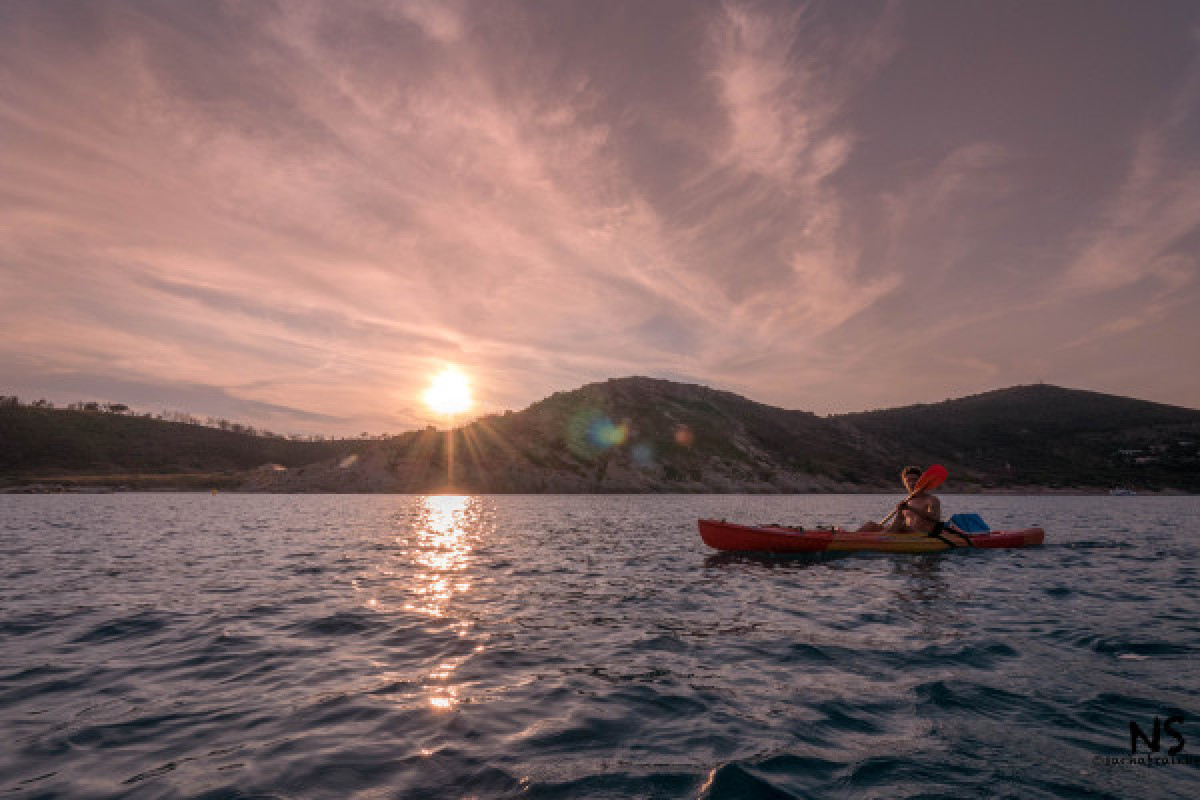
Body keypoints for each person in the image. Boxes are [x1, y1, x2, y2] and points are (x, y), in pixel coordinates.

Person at [854, 466, 944, 533]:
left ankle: (876, 539)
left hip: (923, 535)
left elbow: (935, 518)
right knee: (871, 525)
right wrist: (887, 529)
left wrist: (911, 509)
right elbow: (898, 521)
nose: (912, 483)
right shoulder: (906, 502)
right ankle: (850, 537)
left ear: (921, 481)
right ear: (905, 483)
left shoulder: (932, 500)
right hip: (905, 534)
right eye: (908, 481)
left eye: (915, 480)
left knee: (902, 527)